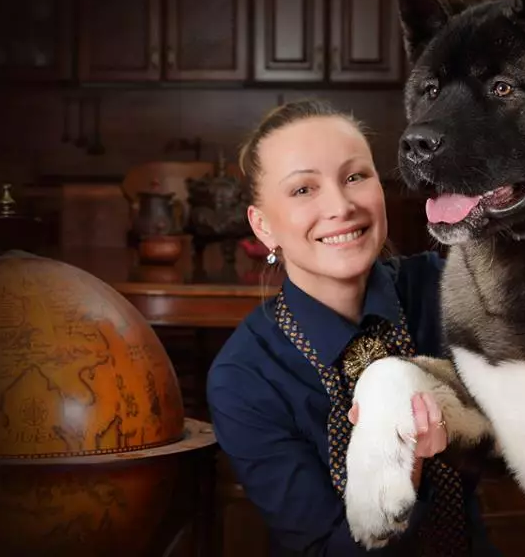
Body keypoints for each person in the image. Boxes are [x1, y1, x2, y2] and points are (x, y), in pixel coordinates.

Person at [206, 99, 493, 556]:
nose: (340, 206)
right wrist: (404, 463)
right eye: (303, 190)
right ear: (263, 227)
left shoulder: (446, 288)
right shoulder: (243, 377)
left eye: (355, 176)